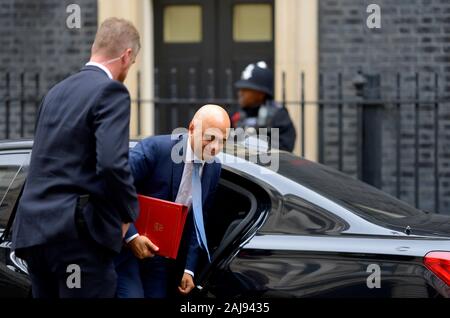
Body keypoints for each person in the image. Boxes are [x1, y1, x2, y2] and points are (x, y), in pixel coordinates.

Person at [11, 17, 141, 298]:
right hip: (76, 238)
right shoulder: (111, 92)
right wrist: (129, 213)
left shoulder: (55, 92)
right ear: (127, 55)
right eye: (131, 64)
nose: (128, 70)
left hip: (33, 233)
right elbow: (111, 164)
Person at [115, 104, 230, 298]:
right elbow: (115, 186)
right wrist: (132, 237)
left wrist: (189, 270)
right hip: (125, 252)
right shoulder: (156, 149)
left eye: (222, 141)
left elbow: (199, 221)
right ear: (192, 128)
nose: (215, 148)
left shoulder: (213, 168)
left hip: (161, 257)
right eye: (209, 138)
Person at [231, 61, 296, 152]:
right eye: (240, 89)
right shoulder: (238, 114)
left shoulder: (279, 116)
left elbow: (284, 151)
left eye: (246, 89)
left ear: (260, 93)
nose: (240, 93)